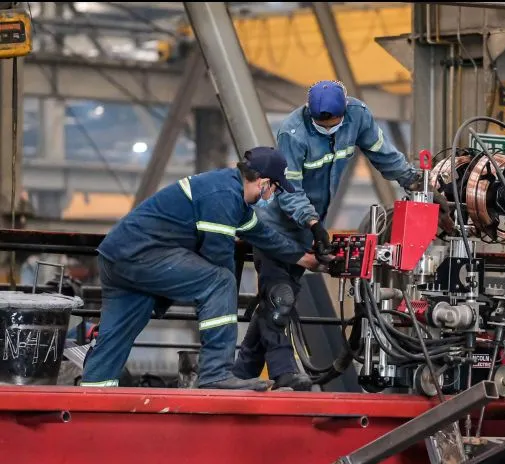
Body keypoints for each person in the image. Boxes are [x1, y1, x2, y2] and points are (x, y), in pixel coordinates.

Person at [231, 80, 449, 391]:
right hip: (277, 225)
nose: (329, 129)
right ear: (310, 115)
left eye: (334, 123)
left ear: (345, 112)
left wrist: (417, 182)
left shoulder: (358, 116)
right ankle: (283, 372)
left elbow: (383, 155)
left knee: (276, 301)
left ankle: (241, 374)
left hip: (311, 223)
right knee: (279, 297)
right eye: (322, 125)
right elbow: (288, 189)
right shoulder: (292, 133)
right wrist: (313, 224)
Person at [80, 147, 320, 391]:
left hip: (117, 256)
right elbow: (218, 256)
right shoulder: (224, 196)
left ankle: (91, 397)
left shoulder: (228, 191)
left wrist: (305, 258)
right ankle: (216, 373)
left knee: (115, 336)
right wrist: (224, 297)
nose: (273, 195)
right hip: (142, 256)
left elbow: (263, 235)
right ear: (264, 183)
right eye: (276, 189)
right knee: (221, 281)